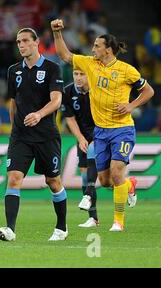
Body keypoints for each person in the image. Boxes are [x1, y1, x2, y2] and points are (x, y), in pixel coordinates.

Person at [51, 19, 155, 231]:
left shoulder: (127, 70)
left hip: (122, 129)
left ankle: (118, 221)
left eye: (97, 46)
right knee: (106, 181)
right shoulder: (90, 64)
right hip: (101, 132)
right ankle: (130, 184)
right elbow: (65, 55)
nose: (93, 49)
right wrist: (57, 33)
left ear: (108, 49)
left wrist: (130, 105)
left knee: (117, 173)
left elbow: (149, 91)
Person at [0, 28, 67, 242]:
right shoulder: (13, 70)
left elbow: (56, 101)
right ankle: (10, 229)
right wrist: (16, 125)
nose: (21, 45)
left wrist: (38, 115)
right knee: (14, 179)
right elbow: (13, 101)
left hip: (46, 135)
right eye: (18, 42)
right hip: (21, 136)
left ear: (36, 43)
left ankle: (61, 227)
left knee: (53, 180)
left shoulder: (53, 68)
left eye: (25, 41)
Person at [61, 67, 99, 228]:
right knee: (85, 175)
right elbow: (70, 119)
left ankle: (88, 195)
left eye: (82, 74)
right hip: (82, 136)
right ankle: (93, 218)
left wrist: (96, 137)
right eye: (76, 74)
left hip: (102, 133)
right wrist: (81, 138)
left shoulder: (99, 90)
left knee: (106, 176)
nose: (78, 77)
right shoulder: (68, 92)